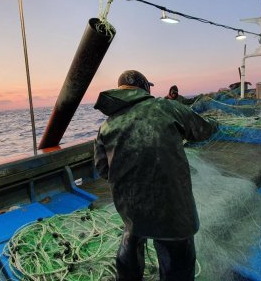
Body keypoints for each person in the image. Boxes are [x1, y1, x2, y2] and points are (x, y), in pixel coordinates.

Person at [93, 70, 216, 280]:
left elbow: (103, 169)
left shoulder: (106, 125)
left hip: (131, 208)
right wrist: (215, 122)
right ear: (144, 87)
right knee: (176, 257)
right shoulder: (166, 107)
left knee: (132, 236)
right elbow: (203, 130)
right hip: (173, 210)